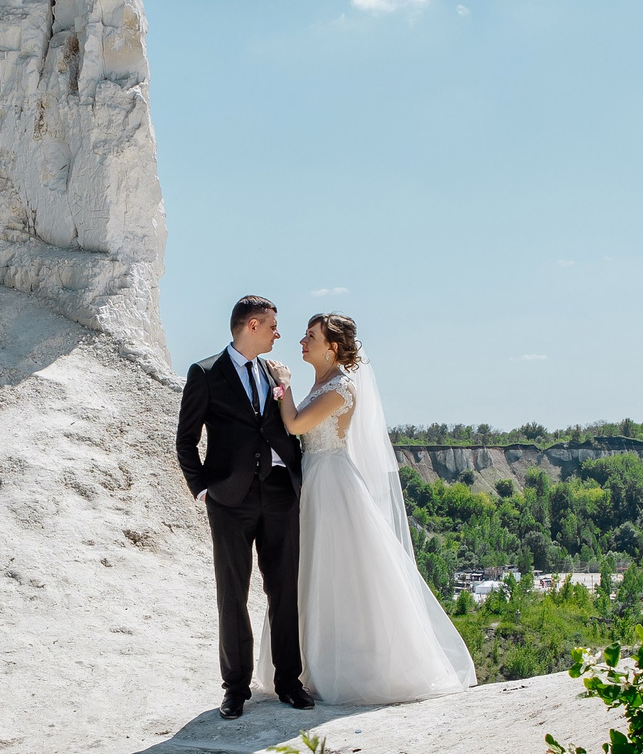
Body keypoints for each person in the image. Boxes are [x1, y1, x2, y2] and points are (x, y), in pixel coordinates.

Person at [267, 313, 475, 705]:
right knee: (311, 569)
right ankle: (308, 663)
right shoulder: (322, 382)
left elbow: (295, 426)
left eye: (310, 336)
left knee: (337, 570)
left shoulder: (340, 388)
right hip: (312, 477)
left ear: (331, 347)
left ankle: (352, 667)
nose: (302, 341)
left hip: (330, 480)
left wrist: (284, 385)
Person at [175, 296, 313, 718]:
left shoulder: (275, 372)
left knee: (284, 589)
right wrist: (203, 489)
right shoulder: (205, 372)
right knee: (232, 595)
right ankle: (235, 688)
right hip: (229, 502)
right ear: (251, 325)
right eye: (273, 325)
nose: (278, 334)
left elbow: (286, 427)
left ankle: (289, 681)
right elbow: (186, 439)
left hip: (278, 496)